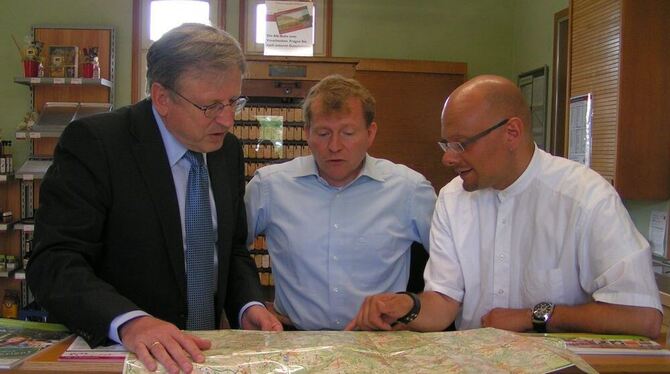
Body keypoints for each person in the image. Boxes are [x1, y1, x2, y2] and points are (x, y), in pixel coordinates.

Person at [26, 24, 281, 373]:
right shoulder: (97, 145)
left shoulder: (227, 151)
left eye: (233, 101)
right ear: (162, 98)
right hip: (128, 358)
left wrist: (248, 304)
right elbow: (53, 262)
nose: (228, 119)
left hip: (206, 357)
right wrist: (130, 322)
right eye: (211, 107)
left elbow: (232, 249)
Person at [347, 75, 663, 338]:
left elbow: (641, 316)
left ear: (511, 132)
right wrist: (407, 307)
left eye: (461, 144)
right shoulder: (453, 198)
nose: (448, 158)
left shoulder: (586, 198)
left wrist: (533, 317)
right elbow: (444, 303)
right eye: (446, 143)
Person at [245, 75, 436, 330]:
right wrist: (252, 303)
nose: (334, 146)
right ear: (307, 134)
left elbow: (451, 271)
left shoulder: (409, 190)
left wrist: (411, 311)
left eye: (348, 133)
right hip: (294, 339)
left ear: (370, 133)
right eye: (323, 133)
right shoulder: (269, 186)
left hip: (379, 341)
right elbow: (230, 255)